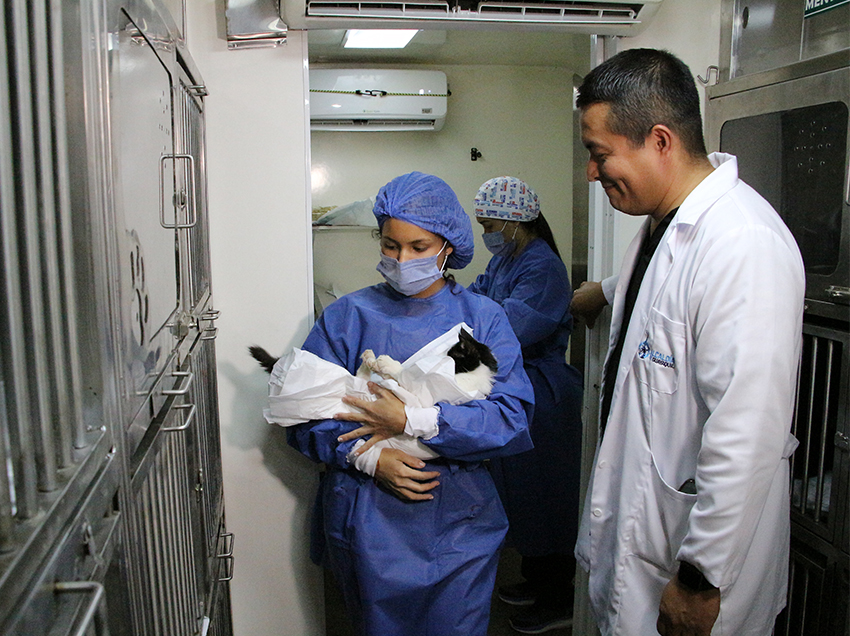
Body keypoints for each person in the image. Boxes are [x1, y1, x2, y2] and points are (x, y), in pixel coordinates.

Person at [573, 49, 805, 636]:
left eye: (600, 155)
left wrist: (701, 579)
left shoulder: (743, 245)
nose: (592, 173)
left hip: (695, 576)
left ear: (659, 140)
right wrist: (602, 292)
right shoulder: (661, 229)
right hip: (642, 545)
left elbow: (747, 433)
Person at [286, 171, 535, 636]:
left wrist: (412, 419)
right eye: (389, 245)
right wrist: (369, 456)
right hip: (368, 522)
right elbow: (302, 417)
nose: (402, 259)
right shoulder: (347, 317)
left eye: (418, 248)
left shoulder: (479, 321)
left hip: (459, 525)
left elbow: (509, 416)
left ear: (447, 246)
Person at [468, 176, 583, 634]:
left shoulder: (543, 268)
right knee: (524, 495)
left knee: (549, 497)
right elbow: (473, 298)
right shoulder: (507, 260)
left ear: (516, 221)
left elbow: (507, 330)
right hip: (518, 390)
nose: (486, 234)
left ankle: (560, 597)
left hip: (546, 396)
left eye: (490, 224)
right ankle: (537, 579)